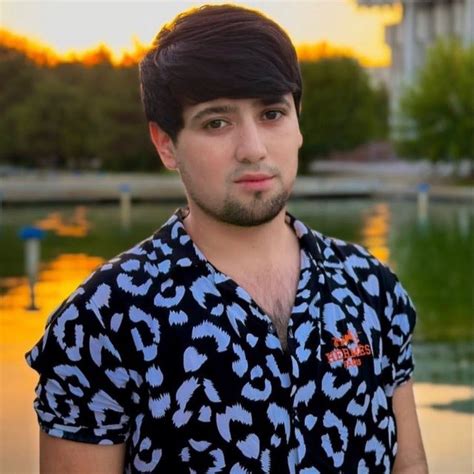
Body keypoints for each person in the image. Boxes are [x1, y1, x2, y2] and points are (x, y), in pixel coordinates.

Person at [26, 4, 428, 473]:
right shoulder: (103, 319)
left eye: (272, 113)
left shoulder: (370, 287)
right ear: (165, 144)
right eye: (216, 122)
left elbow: (409, 464)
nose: (253, 148)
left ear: (298, 123)